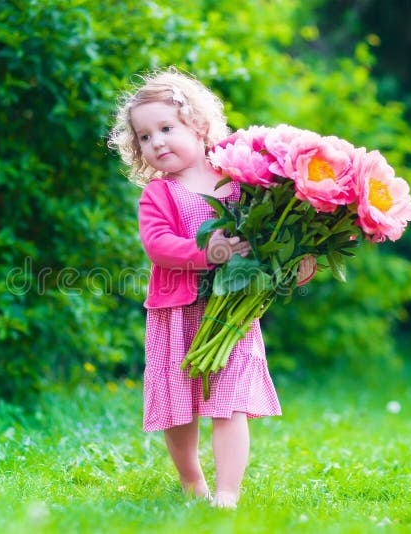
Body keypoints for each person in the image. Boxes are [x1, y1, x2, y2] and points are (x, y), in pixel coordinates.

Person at [108, 67, 282, 509]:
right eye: (144, 137)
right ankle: (191, 480)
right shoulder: (159, 194)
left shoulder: (238, 179)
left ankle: (227, 493)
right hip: (177, 311)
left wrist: (295, 260)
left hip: (233, 311)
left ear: (199, 125)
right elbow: (158, 245)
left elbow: (270, 233)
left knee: (231, 401)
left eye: (166, 128)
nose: (157, 142)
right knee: (178, 402)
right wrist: (210, 252)